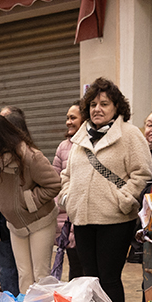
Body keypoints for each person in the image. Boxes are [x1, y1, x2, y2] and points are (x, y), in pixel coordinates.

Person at [59, 77, 152, 302]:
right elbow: (67, 174)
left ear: (116, 107)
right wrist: (68, 199)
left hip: (115, 220)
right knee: (88, 279)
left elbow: (142, 172)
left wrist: (125, 199)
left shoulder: (130, 135)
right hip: (82, 219)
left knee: (109, 279)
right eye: (93, 105)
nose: (97, 109)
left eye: (104, 104)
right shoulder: (80, 137)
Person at [0, 115, 60, 294]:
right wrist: (1, 201)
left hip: (40, 221)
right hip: (15, 224)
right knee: (24, 274)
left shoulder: (31, 157)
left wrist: (27, 202)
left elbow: (54, 184)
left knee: (40, 274)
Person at [52, 103, 84, 279]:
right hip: (66, 219)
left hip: (86, 217)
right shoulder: (63, 147)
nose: (68, 122)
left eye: (73, 118)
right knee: (75, 268)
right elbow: (55, 181)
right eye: (67, 118)